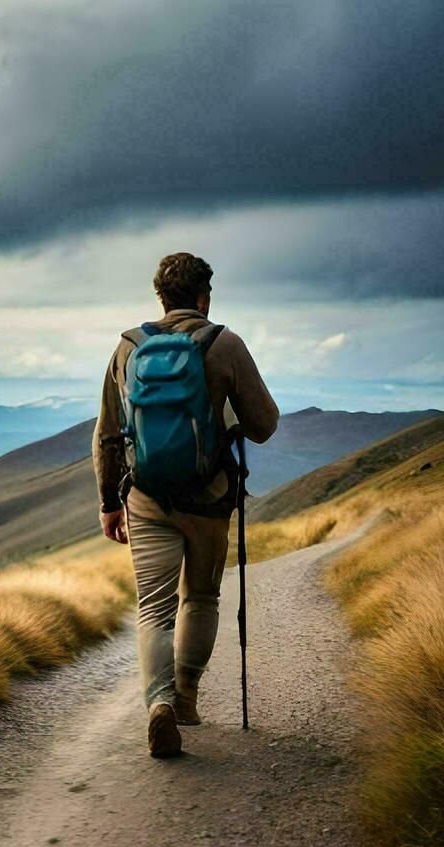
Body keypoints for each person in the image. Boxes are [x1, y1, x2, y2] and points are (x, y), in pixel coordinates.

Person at [92, 253, 278, 757]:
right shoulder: (225, 344)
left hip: (146, 497)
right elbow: (264, 424)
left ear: (160, 296)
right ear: (204, 296)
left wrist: (110, 502)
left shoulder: (128, 348)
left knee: (154, 608)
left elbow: (108, 435)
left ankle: (158, 707)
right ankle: (187, 695)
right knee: (199, 598)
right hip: (209, 500)